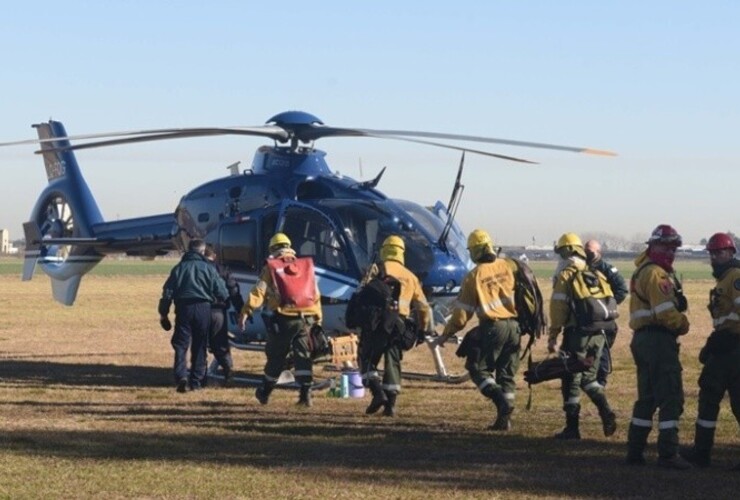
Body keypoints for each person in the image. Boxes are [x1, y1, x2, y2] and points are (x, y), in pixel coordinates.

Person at [435, 229, 519, 431]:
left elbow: (462, 314)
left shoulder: (474, 276)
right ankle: (504, 420)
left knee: (478, 369)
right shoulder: (507, 267)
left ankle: (500, 401)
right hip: (514, 327)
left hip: (493, 327)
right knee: (506, 374)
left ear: (474, 251)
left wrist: (446, 334)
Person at [626, 224, 691, 469]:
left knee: (647, 398)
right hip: (658, 340)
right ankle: (668, 453)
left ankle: (635, 450)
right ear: (652, 246)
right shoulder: (656, 274)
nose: (671, 251)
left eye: (674, 247)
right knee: (671, 397)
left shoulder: (644, 270)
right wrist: (683, 324)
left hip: (643, 340)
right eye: (666, 246)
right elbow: (666, 314)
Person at [238, 232, 322, 407]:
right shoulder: (305, 266)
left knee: (276, 356)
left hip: (283, 319)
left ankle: (265, 392)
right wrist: (318, 320)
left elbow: (259, 291)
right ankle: (305, 395)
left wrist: (246, 311)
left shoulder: (272, 266)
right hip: (306, 318)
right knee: (303, 356)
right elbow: (315, 294)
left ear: (273, 249)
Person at [547, 232, 617, 440]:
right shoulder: (596, 274)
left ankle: (572, 427)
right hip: (599, 334)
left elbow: (558, 307)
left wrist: (553, 336)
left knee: (571, 377)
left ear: (565, 252)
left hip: (577, 334)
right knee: (589, 378)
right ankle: (605, 410)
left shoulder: (566, 274)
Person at [681, 233, 740, 469]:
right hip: (725, 346)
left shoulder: (735, 277)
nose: (715, 257)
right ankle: (701, 451)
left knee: (709, 397)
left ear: (731, 253)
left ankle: (702, 452)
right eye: (712, 253)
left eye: (720, 252)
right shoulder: (725, 278)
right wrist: (714, 341)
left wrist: (725, 338)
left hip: (732, 349)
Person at [360, 235, 431, 417]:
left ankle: (377, 394)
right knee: (393, 363)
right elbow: (423, 307)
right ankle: (390, 406)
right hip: (399, 326)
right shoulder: (411, 277)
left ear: (384, 250)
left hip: (377, 325)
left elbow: (362, 295)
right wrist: (423, 329)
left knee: (366, 359)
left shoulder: (375, 270)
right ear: (401, 253)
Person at [158, 239, 229, 393]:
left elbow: (167, 294)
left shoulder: (179, 268)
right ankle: (196, 382)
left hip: (183, 309)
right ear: (203, 252)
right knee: (200, 345)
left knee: (181, 344)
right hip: (204, 309)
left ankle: (181, 376)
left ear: (188, 251)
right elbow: (222, 291)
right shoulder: (209, 269)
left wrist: (163, 314)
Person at [585, 239, 629, 387]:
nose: (586, 254)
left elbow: (622, 290)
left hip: (603, 320)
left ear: (599, 252)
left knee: (602, 349)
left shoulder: (608, 270)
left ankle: (601, 380)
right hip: (585, 318)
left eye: (590, 252)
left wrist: (607, 307)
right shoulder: (580, 268)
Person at [204, 246, 244, 385]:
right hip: (218, 312)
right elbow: (233, 289)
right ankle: (228, 372)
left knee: (199, 344)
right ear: (214, 255)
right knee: (221, 344)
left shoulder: (196, 269)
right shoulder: (222, 269)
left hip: (200, 310)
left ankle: (201, 376)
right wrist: (240, 309)